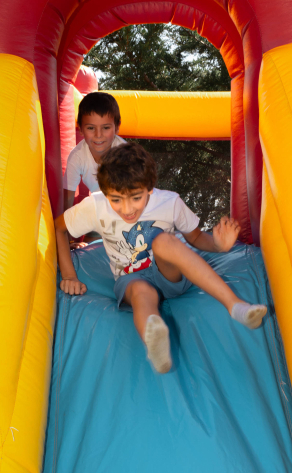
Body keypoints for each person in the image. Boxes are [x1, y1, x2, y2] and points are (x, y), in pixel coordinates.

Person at [55, 143, 267, 374]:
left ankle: (235, 306)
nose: (126, 209)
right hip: (131, 278)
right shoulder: (95, 206)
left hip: (169, 273)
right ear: (105, 192)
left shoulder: (169, 202)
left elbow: (195, 238)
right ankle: (154, 339)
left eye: (136, 198)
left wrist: (218, 244)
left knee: (164, 241)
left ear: (149, 188)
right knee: (140, 293)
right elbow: (59, 228)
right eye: (116, 200)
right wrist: (68, 274)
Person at [63, 92, 125, 211]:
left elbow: (137, 195)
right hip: (102, 209)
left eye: (106, 128)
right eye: (91, 128)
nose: (98, 135)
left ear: (117, 127)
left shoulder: (125, 155)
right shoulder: (77, 157)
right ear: (80, 128)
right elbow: (67, 198)